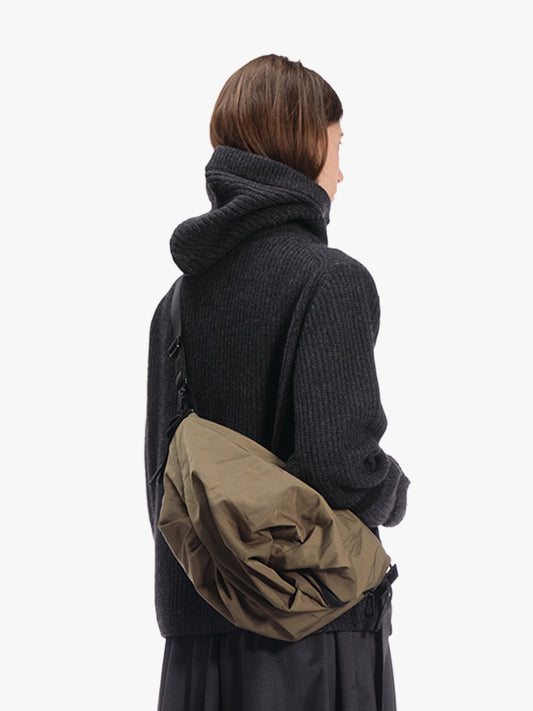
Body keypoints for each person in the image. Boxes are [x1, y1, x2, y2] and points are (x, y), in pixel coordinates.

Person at [144, 54, 411, 711]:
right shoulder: (330, 280)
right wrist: (392, 489)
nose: (341, 171)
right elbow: (339, 466)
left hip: (196, 645)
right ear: (304, 143)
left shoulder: (173, 305)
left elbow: (163, 483)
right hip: (312, 641)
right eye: (337, 144)